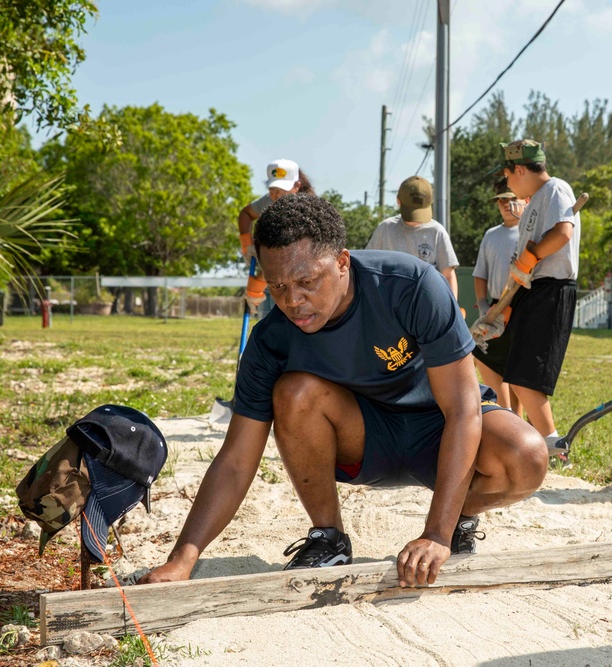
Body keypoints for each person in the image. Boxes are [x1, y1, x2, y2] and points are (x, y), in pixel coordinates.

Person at [139, 193, 547, 587]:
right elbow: (235, 461)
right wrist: (183, 558)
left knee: (527, 456)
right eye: (277, 286)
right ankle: (329, 537)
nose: (293, 300)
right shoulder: (270, 341)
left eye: (306, 281)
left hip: (438, 425)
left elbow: (463, 409)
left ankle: (458, 514)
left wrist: (437, 534)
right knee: (294, 392)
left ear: (341, 262)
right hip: (362, 439)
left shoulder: (411, 285)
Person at [497, 140, 581, 454]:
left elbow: (562, 233)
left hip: (553, 290)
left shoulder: (557, 189)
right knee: (517, 375)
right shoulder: (534, 202)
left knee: (528, 378)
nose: (507, 183)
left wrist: (531, 257)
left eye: (507, 175)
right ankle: (546, 443)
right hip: (532, 291)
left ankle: (555, 448)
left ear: (520, 169)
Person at [237, 159, 315, 316]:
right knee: (269, 327)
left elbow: (288, 257)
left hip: (300, 282)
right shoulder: (268, 201)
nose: (277, 194)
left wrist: (258, 284)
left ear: (297, 186)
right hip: (273, 277)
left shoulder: (305, 209)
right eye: (273, 189)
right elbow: (245, 214)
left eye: (283, 189)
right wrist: (247, 244)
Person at [472, 177, 524, 414]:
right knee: (487, 361)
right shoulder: (491, 235)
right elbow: (480, 274)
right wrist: (484, 306)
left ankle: (520, 422)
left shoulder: (529, 231)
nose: (506, 204)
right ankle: (505, 416)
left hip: (523, 306)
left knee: (519, 373)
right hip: (495, 307)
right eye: (501, 200)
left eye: (512, 199)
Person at [366, 175, 459, 299]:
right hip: (390, 303)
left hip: (426, 302)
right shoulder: (385, 229)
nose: (415, 218)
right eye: (411, 211)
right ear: (398, 201)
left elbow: (448, 275)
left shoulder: (437, 231)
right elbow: (368, 267)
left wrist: (452, 310)